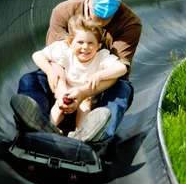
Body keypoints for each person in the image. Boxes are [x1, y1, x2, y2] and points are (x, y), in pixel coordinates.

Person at [11, 0, 142, 143]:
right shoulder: (65, 11)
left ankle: (94, 137)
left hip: (98, 91)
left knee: (122, 89)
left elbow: (119, 70)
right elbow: (55, 60)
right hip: (63, 81)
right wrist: (62, 90)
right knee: (31, 80)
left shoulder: (130, 23)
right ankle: (39, 126)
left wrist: (83, 92)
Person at [31, 14, 127, 142]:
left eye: (90, 43)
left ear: (98, 45)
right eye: (80, 42)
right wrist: (50, 72)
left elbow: (121, 68)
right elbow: (38, 55)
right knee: (60, 102)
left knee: (85, 106)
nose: (85, 47)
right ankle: (50, 128)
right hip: (66, 91)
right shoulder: (65, 51)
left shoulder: (101, 57)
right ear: (71, 43)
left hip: (86, 95)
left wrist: (99, 75)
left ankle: (80, 135)